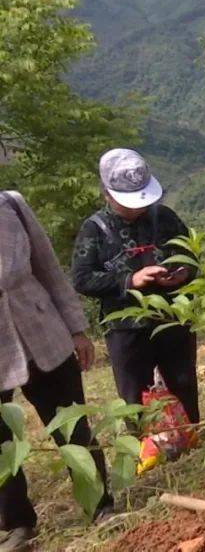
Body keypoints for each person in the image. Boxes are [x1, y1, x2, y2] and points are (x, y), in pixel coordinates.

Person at [0, 191, 113, 550]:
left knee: (72, 424)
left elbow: (49, 268)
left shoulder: (12, 205)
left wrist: (77, 328)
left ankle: (99, 504)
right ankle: (16, 522)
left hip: (43, 330)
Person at [72, 149, 201, 424]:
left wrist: (183, 273)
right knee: (134, 394)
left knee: (184, 382)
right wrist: (130, 281)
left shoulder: (165, 217)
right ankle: (142, 445)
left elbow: (191, 254)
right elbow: (82, 278)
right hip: (126, 328)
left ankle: (191, 435)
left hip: (173, 318)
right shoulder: (94, 229)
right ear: (108, 195)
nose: (137, 208)